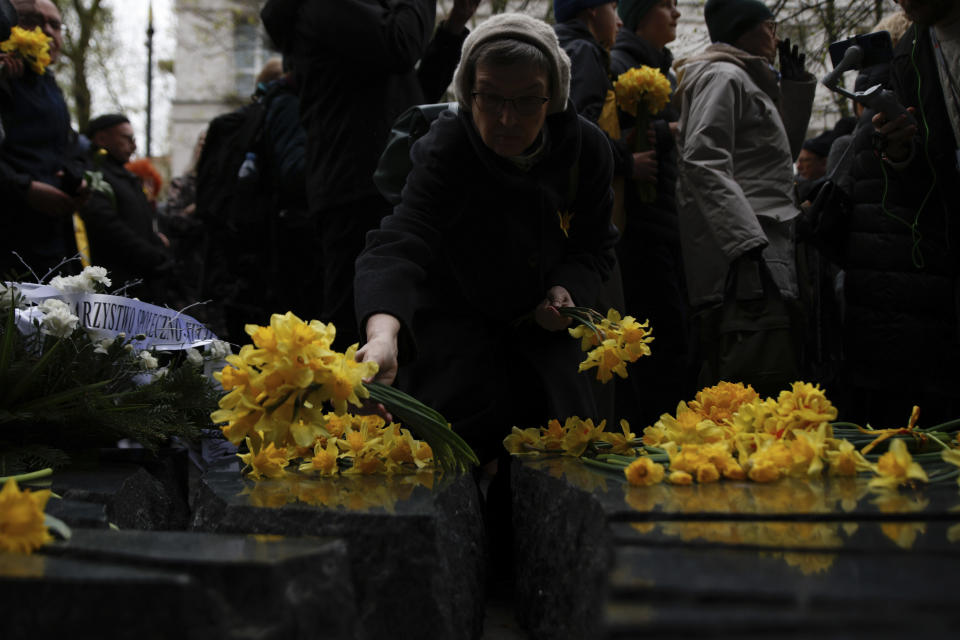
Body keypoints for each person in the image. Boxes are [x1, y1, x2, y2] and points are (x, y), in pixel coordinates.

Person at [354, 12, 618, 465]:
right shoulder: (446, 148)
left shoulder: (586, 149)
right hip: (458, 343)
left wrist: (567, 290)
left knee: (559, 470)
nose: (506, 119)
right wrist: (382, 336)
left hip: (545, 346)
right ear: (467, 92)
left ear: (552, 97)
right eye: (490, 98)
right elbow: (400, 241)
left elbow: (594, 247)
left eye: (527, 101)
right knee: (452, 472)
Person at [261, 0, 479, 349]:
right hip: (357, 190)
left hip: (380, 186)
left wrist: (453, 28)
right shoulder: (323, 8)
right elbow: (400, 45)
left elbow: (410, 99)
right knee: (354, 334)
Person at [674, 0, 815, 396]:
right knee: (756, 370)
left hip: (764, 247)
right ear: (743, 29)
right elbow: (702, 158)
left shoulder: (747, 79)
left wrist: (796, 87)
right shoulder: (723, 75)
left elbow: (774, 157)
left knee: (775, 362)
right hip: (748, 260)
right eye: (767, 25)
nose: (775, 33)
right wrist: (746, 241)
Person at [832, 0, 960, 427]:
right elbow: (919, 180)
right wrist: (901, 149)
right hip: (917, 306)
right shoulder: (912, 56)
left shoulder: (913, 52)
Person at [609, 0, 693, 427]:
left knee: (673, 335)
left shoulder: (661, 69)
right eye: (666, 5)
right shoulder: (618, 62)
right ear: (641, 12)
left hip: (663, 222)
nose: (676, 14)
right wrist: (665, 131)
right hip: (637, 229)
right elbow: (604, 136)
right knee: (656, 338)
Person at [0, 0, 85, 280]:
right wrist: (24, 188)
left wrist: (78, 180)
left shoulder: (50, 86)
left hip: (50, 243)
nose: (47, 31)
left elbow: (67, 149)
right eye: (32, 20)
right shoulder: (6, 77)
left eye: (55, 25)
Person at [79, 114, 172, 301]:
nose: (133, 146)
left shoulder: (124, 176)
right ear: (102, 138)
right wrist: (152, 256)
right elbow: (108, 226)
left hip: (141, 280)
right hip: (117, 285)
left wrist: (157, 247)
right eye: (126, 138)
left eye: (134, 139)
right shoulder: (93, 176)